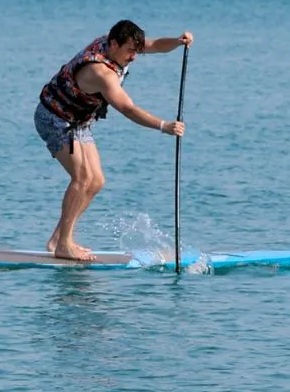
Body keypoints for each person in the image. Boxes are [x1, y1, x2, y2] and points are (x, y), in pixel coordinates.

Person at [34, 20, 190, 261]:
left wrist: (179, 43)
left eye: (137, 50)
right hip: (54, 118)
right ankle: (64, 244)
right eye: (130, 51)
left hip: (78, 121)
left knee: (96, 181)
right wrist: (164, 126)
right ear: (114, 44)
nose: (134, 56)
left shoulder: (117, 43)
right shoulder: (101, 73)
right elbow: (127, 109)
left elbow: (156, 45)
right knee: (82, 177)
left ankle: (58, 238)